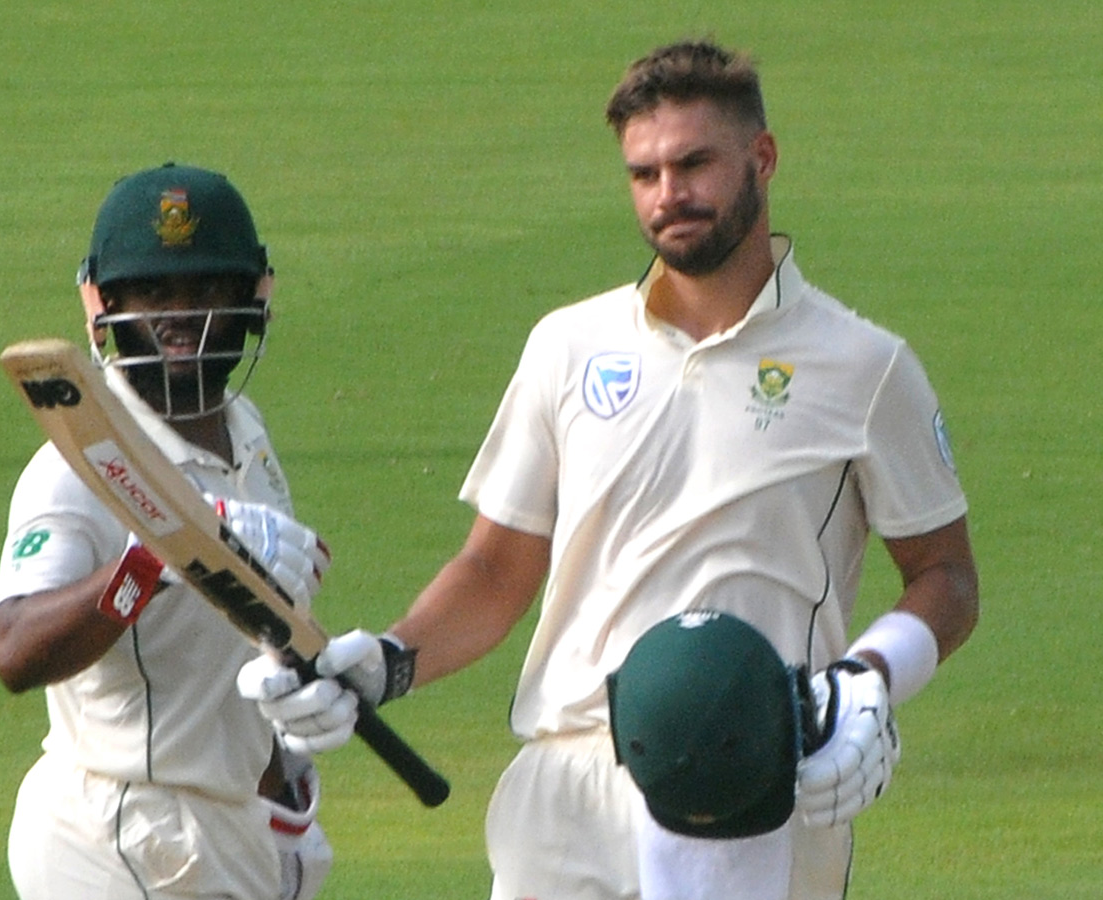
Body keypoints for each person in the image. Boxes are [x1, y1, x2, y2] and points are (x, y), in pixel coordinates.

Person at [238, 38, 980, 900]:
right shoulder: (569, 345)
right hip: (566, 784)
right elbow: (495, 566)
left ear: (762, 159)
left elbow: (947, 577)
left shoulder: (864, 365)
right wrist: (390, 662)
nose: (670, 195)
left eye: (695, 164)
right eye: (645, 173)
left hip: (747, 784)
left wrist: (869, 678)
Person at [0, 163, 334, 900]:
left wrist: (284, 793)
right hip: (117, 830)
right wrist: (155, 563)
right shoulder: (76, 465)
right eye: (152, 295)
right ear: (105, 306)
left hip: (221, 825)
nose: (181, 319)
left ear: (253, 300)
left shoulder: (249, 436)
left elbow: (234, 657)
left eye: (207, 291)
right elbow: (14, 650)